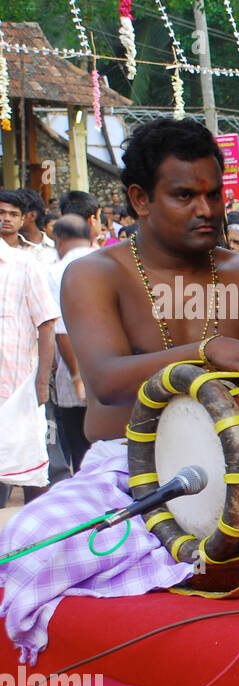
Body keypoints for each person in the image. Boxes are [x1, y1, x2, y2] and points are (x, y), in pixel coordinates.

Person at [0, 118, 239, 665]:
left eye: (215, 194)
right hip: (127, 473)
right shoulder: (94, 274)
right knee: (27, 548)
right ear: (139, 198)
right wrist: (204, 350)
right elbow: (109, 380)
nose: (207, 210)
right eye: (185, 195)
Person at [0, 217, 58, 501]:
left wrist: (41, 383)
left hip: (16, 387)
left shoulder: (23, 265)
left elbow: (46, 324)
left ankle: (35, 539)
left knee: (31, 471)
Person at [47, 215, 96, 473]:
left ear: (58, 239)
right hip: (113, 370)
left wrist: (77, 375)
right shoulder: (111, 262)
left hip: (72, 371)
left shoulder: (54, 272)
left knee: (80, 449)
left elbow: (60, 329)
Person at [15, 190, 57, 264]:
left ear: (32, 215)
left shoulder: (57, 248)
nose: (6, 219)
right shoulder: (9, 249)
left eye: (14, 214)